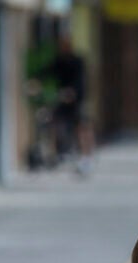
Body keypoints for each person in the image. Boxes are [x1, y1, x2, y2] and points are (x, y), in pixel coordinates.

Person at [51, 37, 92, 176]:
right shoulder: (59, 61)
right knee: (56, 123)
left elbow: (81, 80)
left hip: (77, 100)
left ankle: (85, 157)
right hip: (63, 100)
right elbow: (48, 71)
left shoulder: (77, 61)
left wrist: (73, 92)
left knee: (81, 128)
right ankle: (61, 152)